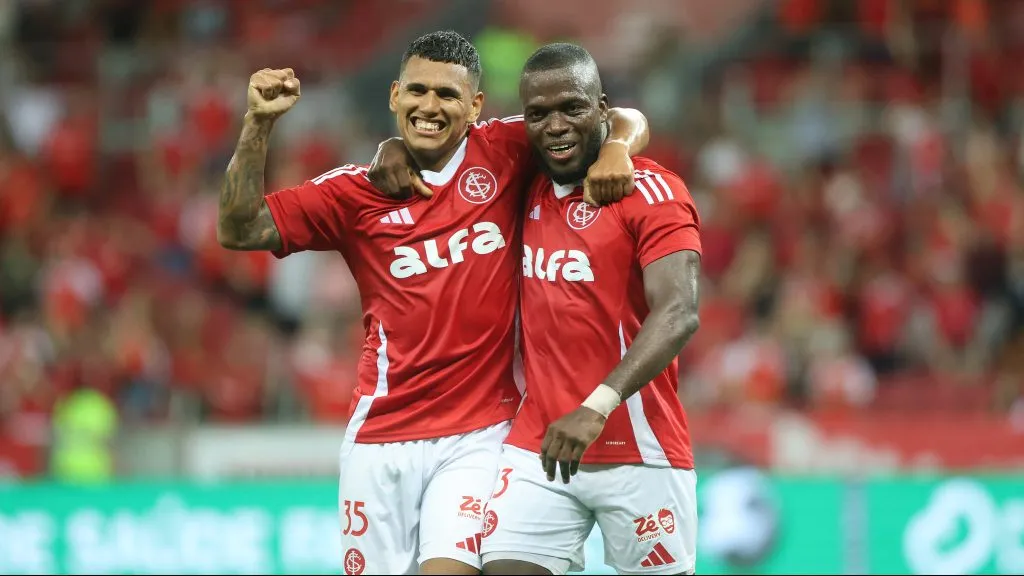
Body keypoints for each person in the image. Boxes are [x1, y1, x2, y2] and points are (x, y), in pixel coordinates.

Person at [216, 31, 651, 576]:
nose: (430, 106)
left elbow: (617, 118)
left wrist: (615, 149)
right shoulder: (355, 192)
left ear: (475, 107)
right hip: (380, 437)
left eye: (448, 95)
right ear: (395, 96)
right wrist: (258, 123)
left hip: (481, 433)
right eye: (418, 91)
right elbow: (239, 230)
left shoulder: (506, 151)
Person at [478, 44, 703, 576]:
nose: (555, 126)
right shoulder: (525, 184)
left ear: (601, 108)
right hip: (541, 447)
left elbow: (680, 312)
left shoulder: (654, 192)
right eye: (538, 114)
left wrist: (595, 406)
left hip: (639, 450)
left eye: (572, 109)